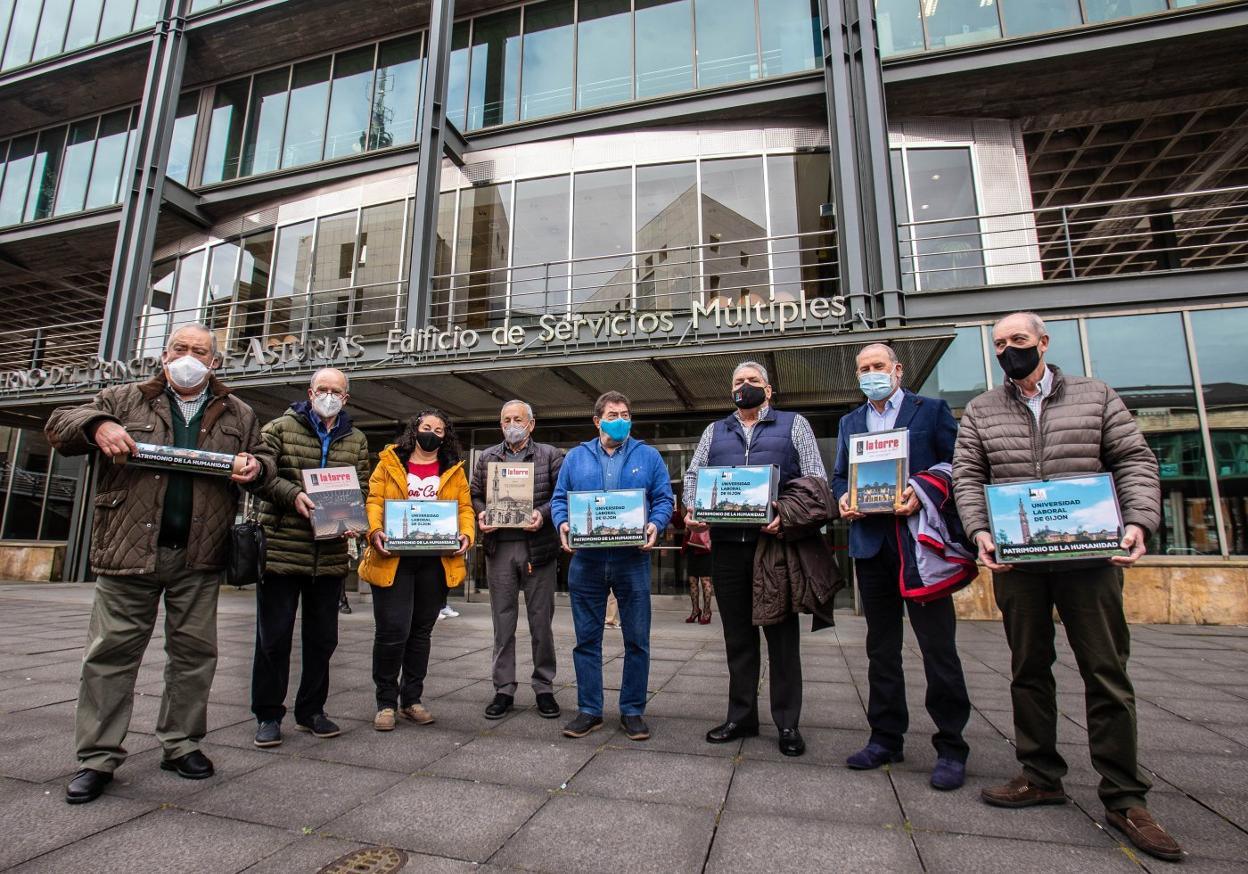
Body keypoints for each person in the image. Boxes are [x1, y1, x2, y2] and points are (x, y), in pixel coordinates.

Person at [953, 311, 1182, 862]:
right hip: (1020, 565)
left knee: (1105, 672)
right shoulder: (982, 409)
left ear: (1043, 342)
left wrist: (1138, 520)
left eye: (1018, 340)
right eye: (1000, 343)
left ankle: (1124, 797)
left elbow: (1134, 460)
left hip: (1089, 559)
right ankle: (1039, 774)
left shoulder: (1095, 396)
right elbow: (968, 476)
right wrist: (979, 531)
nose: (1009, 350)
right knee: (1028, 670)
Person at [45, 323, 274, 804]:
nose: (189, 357)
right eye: (180, 348)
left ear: (214, 362)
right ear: (164, 355)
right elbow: (61, 424)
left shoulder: (239, 412)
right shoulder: (123, 398)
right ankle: (97, 757)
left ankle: (181, 744)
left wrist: (257, 467)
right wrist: (97, 425)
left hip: (199, 555)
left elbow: (263, 460)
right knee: (110, 656)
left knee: (194, 657)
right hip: (129, 551)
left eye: (200, 351)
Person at [832, 343, 971, 790]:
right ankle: (885, 737)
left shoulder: (931, 411)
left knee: (938, 649)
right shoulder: (850, 422)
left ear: (897, 370)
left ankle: (951, 746)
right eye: (863, 369)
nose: (870, 374)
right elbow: (840, 476)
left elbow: (959, 464)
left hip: (919, 548)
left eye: (878, 366)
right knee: (881, 650)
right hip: (872, 547)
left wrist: (921, 489)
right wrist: (844, 497)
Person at [683, 361, 826, 757]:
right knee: (738, 638)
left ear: (768, 389)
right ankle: (741, 716)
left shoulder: (794, 425)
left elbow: (816, 480)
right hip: (728, 547)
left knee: (782, 639)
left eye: (753, 381)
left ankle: (787, 723)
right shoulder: (715, 430)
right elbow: (693, 476)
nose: (745, 386)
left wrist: (787, 514)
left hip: (774, 547)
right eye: (738, 381)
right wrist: (694, 506)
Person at [250, 367, 370, 748]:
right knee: (274, 638)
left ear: (345, 398)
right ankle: (268, 714)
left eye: (336, 391)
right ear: (310, 392)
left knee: (322, 640)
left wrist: (355, 518)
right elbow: (260, 476)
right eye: (323, 389)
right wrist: (293, 495)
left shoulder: (356, 439)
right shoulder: (278, 429)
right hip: (282, 549)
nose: (329, 396)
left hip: (329, 554)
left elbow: (362, 486)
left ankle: (312, 710)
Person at [551, 391, 673, 742]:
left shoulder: (648, 456)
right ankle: (589, 710)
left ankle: (632, 711)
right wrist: (562, 523)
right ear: (597, 421)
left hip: (631, 560)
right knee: (586, 641)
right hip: (587, 562)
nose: (620, 420)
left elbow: (664, 499)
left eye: (625, 415)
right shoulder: (576, 458)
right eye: (613, 415)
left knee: (637, 640)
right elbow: (559, 500)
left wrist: (656, 524)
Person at [358, 410, 474, 731]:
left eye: (439, 430)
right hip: (393, 558)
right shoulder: (390, 463)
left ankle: (412, 700)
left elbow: (464, 509)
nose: (431, 433)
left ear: (445, 436)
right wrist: (374, 530)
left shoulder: (453, 469)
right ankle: (385, 702)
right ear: (414, 430)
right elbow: (374, 501)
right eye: (426, 427)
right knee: (392, 630)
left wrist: (467, 534)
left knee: (421, 632)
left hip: (435, 561)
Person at [470, 399, 564, 720]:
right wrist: (482, 513)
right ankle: (504, 689)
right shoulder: (487, 457)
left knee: (541, 623)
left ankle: (544, 686)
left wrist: (542, 514)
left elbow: (561, 495)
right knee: (503, 622)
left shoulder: (550, 455)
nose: (512, 425)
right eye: (506, 420)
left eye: (518, 419)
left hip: (538, 548)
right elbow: (474, 494)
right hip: (500, 549)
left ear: (531, 424)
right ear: (500, 425)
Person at [680, 516, 713, 624]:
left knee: (705, 581)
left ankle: (707, 612)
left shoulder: (709, 510)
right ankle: (695, 610)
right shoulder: (691, 511)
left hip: (706, 549)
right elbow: (682, 523)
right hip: (692, 547)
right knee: (692, 581)